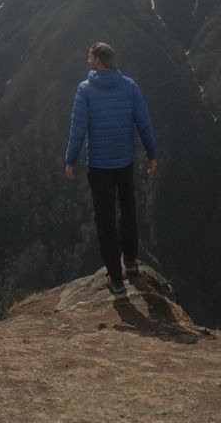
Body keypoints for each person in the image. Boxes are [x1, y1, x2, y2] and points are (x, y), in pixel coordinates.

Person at [63, 41, 158, 296]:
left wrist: (70, 160)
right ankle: (131, 263)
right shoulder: (129, 87)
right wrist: (152, 154)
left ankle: (116, 280)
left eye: (90, 56)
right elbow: (143, 122)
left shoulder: (85, 90)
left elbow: (78, 129)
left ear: (98, 61)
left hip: (99, 165)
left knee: (105, 219)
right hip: (125, 161)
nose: (87, 60)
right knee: (128, 210)